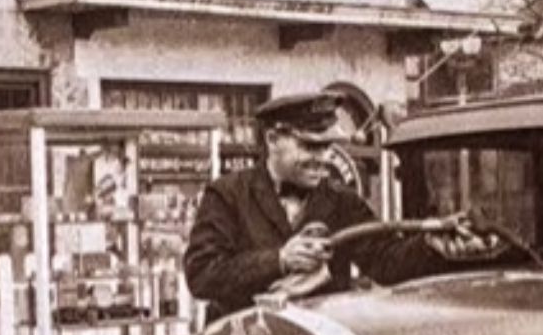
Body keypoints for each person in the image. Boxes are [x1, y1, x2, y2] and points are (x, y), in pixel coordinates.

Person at [184, 89, 502, 318]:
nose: (322, 159)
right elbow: (201, 275)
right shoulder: (227, 194)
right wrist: (279, 260)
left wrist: (430, 246)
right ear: (272, 140)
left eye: (327, 148)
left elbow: (386, 261)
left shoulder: (342, 201)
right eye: (310, 146)